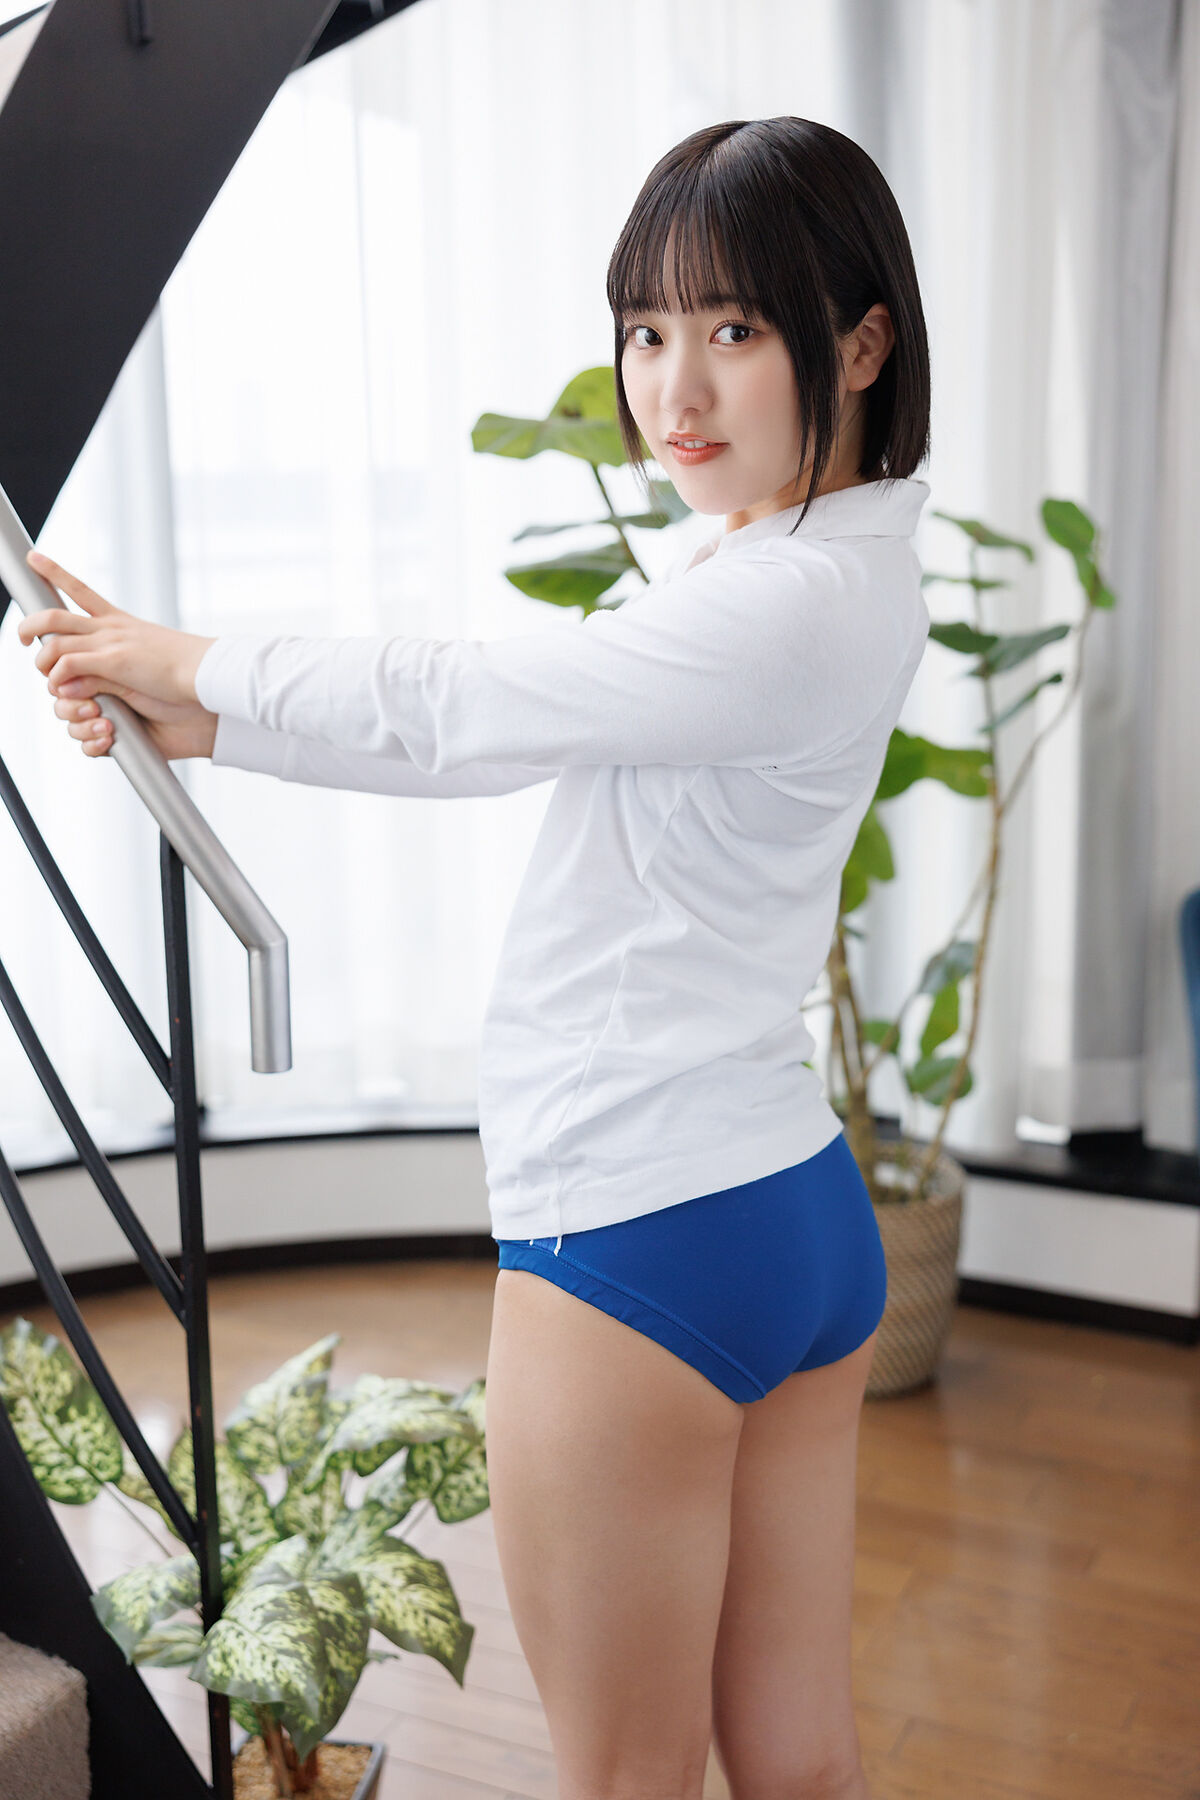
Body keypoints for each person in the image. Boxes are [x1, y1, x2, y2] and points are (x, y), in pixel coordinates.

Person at [20, 115, 930, 1800]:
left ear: (862, 343)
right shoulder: (827, 563)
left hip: (643, 1231)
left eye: (734, 329)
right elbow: (512, 736)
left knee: (623, 1779)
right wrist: (200, 715)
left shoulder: (779, 597)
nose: (674, 389)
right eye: (646, 331)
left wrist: (187, 657)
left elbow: (468, 702)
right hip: (789, 1208)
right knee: (801, 1757)